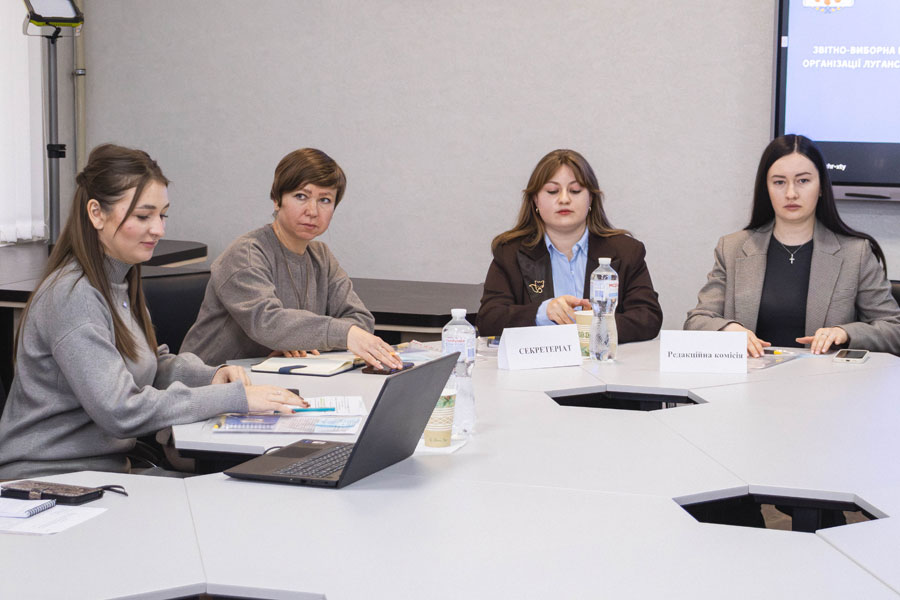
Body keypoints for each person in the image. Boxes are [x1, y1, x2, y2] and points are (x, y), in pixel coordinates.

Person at [0, 144, 302, 479]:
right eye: (143, 216)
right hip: (51, 480)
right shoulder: (73, 296)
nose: (159, 229)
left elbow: (148, 365)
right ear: (96, 213)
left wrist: (211, 377)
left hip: (102, 472)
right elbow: (122, 411)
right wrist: (231, 398)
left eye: (162, 215)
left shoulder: (118, 280)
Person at [181, 148, 402, 370]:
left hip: (276, 377)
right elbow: (267, 324)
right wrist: (336, 335)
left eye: (325, 200)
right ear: (277, 200)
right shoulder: (245, 254)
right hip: (210, 379)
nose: (312, 211)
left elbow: (360, 320)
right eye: (301, 196)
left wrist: (302, 341)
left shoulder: (322, 257)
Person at [685, 134, 900, 357]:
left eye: (803, 181)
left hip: (824, 378)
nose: (791, 193)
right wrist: (727, 329)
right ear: (766, 188)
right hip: (751, 377)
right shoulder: (732, 248)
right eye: (779, 182)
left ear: (821, 186)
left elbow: (894, 330)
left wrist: (845, 333)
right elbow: (697, 321)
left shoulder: (856, 253)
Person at [476, 149, 663, 341]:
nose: (564, 199)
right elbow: (489, 319)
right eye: (552, 191)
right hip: (540, 359)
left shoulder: (626, 251)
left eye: (575, 191)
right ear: (535, 200)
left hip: (603, 358)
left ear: (591, 198)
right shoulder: (510, 252)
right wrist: (543, 312)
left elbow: (648, 318)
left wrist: (594, 325)